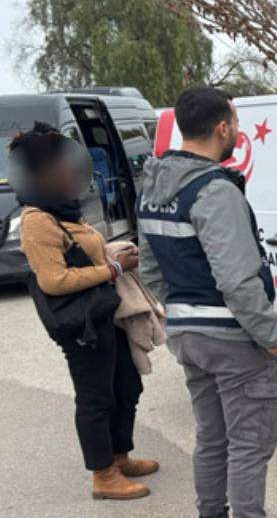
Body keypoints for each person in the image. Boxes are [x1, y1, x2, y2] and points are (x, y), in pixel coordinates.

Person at [137, 87, 277, 518]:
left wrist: (183, 313)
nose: (237, 130)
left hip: (189, 336)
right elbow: (237, 280)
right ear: (222, 128)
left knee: (212, 439)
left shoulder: (153, 186)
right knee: (249, 446)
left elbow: (149, 269)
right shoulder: (214, 190)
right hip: (234, 340)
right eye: (235, 123)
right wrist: (271, 336)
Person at [11, 122, 157, 500]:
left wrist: (112, 253)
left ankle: (120, 456)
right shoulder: (37, 219)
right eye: (62, 164)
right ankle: (103, 474)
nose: (71, 170)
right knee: (95, 397)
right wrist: (113, 269)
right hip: (81, 322)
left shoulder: (64, 209)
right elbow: (54, 280)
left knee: (126, 385)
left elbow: (84, 252)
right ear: (43, 172)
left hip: (104, 310)